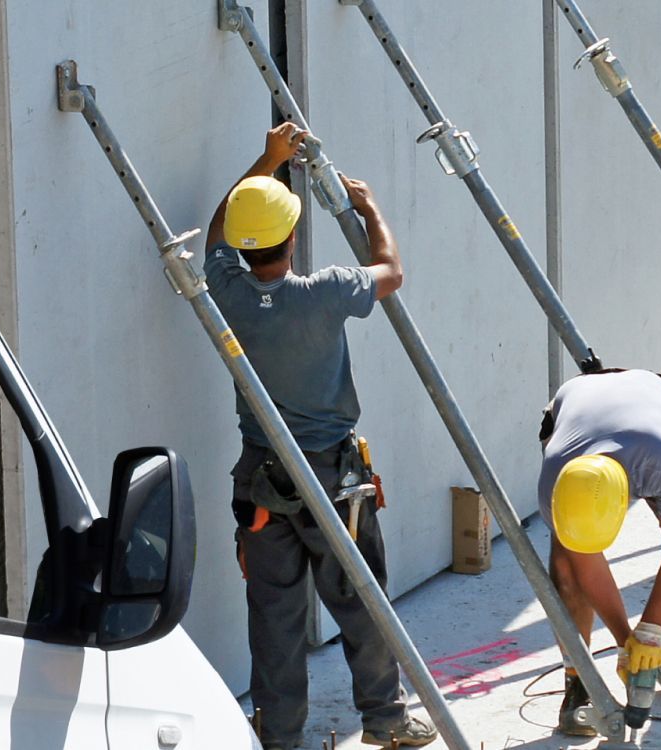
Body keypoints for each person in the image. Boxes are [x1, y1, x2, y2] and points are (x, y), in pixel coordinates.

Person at [206, 122, 429, 749]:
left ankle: (279, 737)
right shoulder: (327, 292)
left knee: (273, 616)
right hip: (332, 477)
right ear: (293, 236)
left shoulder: (223, 291)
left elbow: (224, 226)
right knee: (360, 599)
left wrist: (266, 161)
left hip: (262, 477)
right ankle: (386, 720)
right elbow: (390, 271)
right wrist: (371, 209)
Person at [539, 368, 661, 735]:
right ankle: (579, 682)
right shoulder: (555, 483)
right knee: (567, 573)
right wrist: (626, 641)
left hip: (659, 416)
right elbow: (586, 566)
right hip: (575, 418)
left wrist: (651, 631)